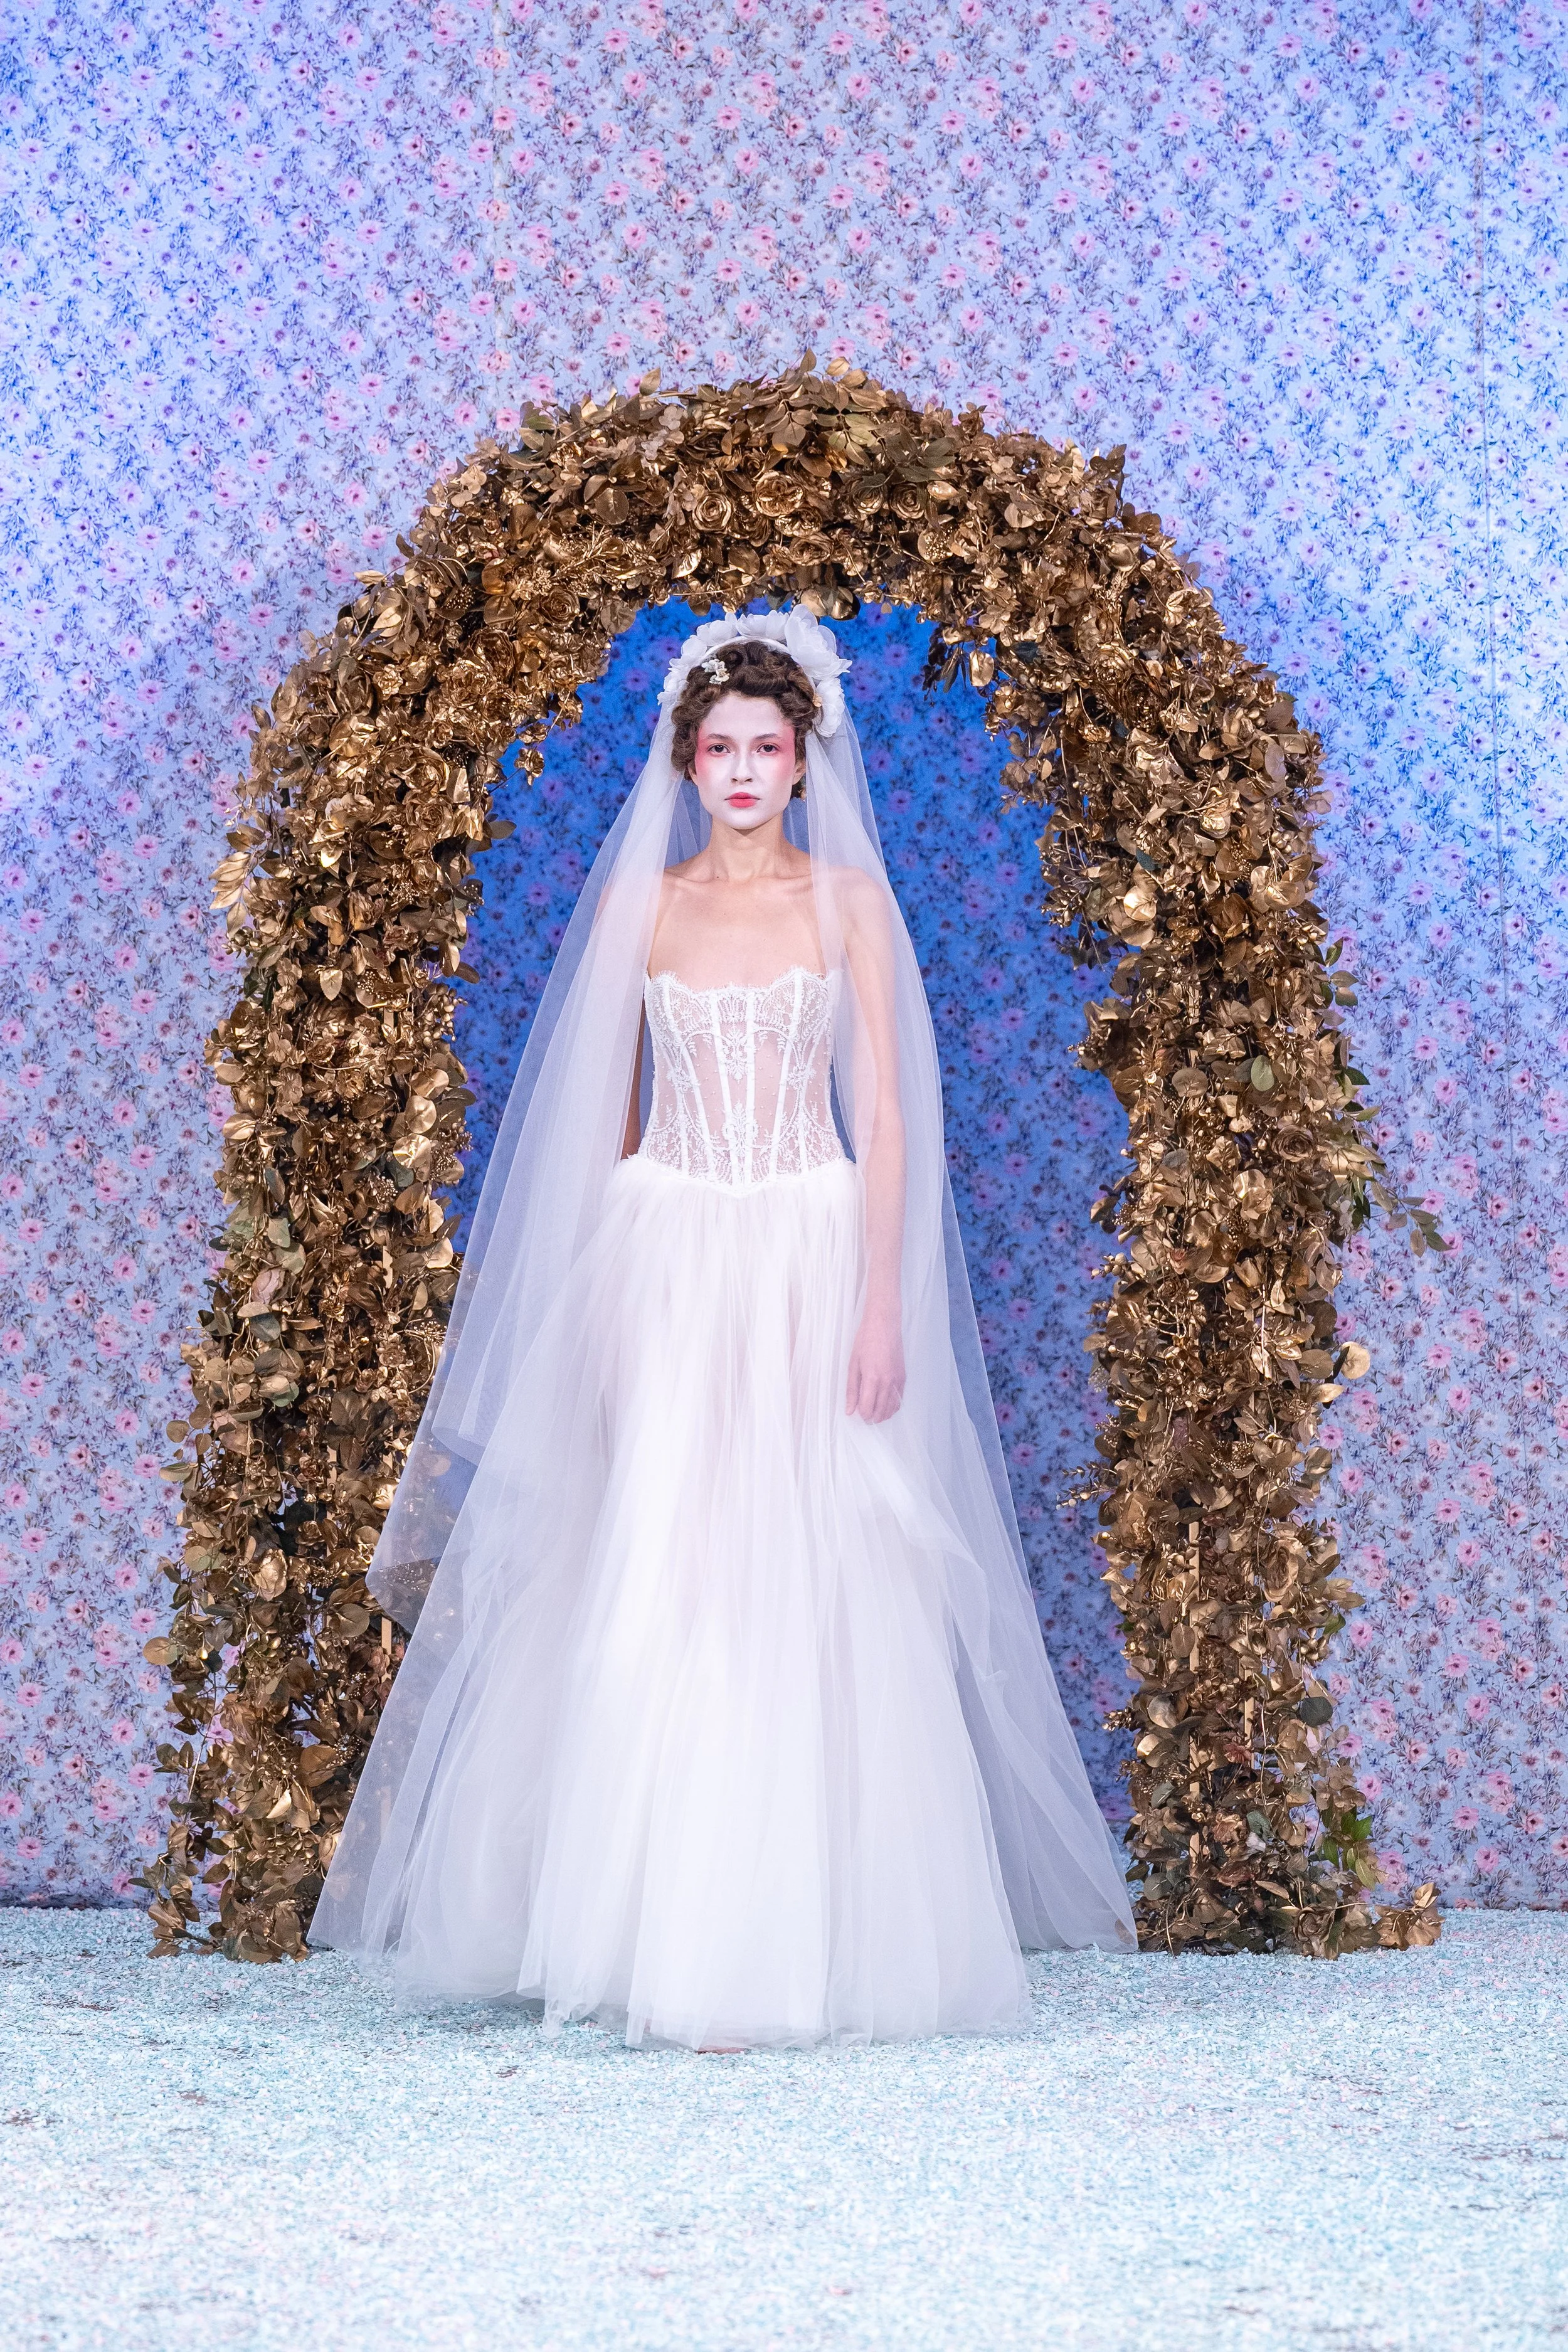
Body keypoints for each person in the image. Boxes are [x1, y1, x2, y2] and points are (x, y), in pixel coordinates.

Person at [312, 608, 1136, 2048]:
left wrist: (882, 1302)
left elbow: (882, 1117)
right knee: (659, 1560)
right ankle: (648, 1938)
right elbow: (601, 1112)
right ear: (687, 764)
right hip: (670, 1246)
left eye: (767, 747)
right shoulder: (650, 905)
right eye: (719, 749)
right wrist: (592, 1298)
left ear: (804, 761)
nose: (743, 771)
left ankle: (803, 1941)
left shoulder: (847, 908)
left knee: (817, 1566)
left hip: (811, 1249)